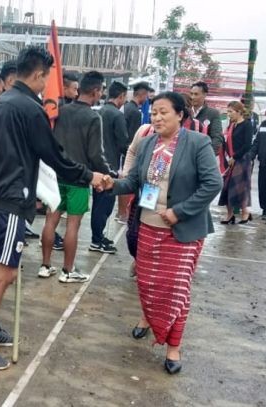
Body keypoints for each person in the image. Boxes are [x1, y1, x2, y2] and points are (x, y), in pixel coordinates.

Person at [0, 46, 104, 370]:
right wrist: (89, 176)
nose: (46, 85)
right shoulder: (29, 108)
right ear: (39, 74)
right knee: (4, 272)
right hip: (11, 200)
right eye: (46, 78)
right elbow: (54, 155)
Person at [100, 91, 222, 375]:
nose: (157, 118)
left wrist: (180, 211)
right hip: (148, 227)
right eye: (154, 112)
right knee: (148, 284)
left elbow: (212, 183)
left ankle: (173, 348)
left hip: (182, 232)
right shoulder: (147, 144)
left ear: (180, 114)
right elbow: (134, 181)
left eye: (163, 112)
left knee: (176, 291)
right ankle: (148, 318)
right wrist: (111, 184)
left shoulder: (197, 143)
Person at [39, 71, 112, 282]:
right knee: (73, 225)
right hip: (80, 178)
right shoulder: (93, 117)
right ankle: (67, 271)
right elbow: (95, 154)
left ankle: (45, 265)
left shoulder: (60, 111)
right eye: (101, 90)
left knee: (51, 221)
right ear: (96, 91)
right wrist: (106, 174)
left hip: (56, 175)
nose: (101, 94)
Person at [91, 80, 129, 253]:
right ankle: (97, 240)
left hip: (96, 163)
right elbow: (123, 143)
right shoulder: (117, 115)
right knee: (105, 204)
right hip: (110, 165)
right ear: (121, 96)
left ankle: (98, 236)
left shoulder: (99, 111)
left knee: (98, 203)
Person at [118, 81, 153, 224]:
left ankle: (121, 213)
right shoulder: (136, 114)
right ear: (142, 94)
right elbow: (133, 141)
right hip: (127, 153)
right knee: (126, 181)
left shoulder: (125, 107)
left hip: (121, 151)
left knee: (123, 179)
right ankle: (124, 214)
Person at [218, 101, 254, 224]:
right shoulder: (231, 125)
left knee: (240, 188)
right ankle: (230, 214)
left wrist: (235, 156)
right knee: (227, 187)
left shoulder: (247, 125)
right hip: (230, 160)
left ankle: (245, 212)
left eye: (231, 111)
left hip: (241, 160)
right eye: (227, 112)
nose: (228, 114)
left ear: (239, 112)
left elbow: (247, 145)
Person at [189, 81, 224, 153]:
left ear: (205, 95)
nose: (193, 97)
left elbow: (217, 138)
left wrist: (207, 155)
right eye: (191, 94)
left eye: (196, 94)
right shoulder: (185, 112)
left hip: (203, 154)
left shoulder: (213, 113)